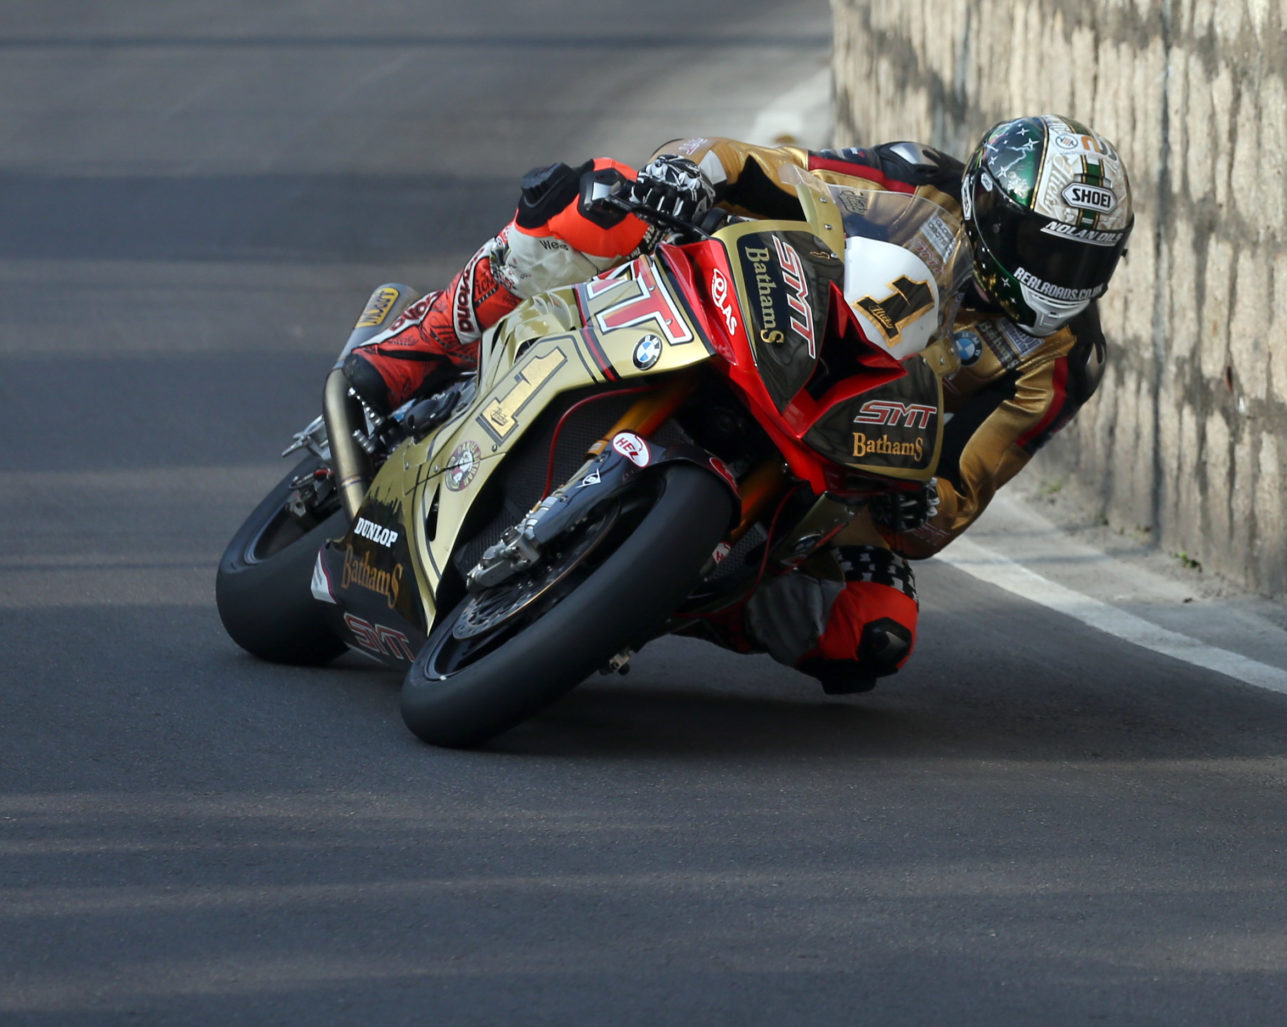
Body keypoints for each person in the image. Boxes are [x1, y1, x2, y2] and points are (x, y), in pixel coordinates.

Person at [343, 115, 1134, 694]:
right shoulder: (922, 185)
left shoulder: (1064, 360)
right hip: (779, 318)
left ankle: (663, 597)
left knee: (873, 627)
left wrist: (920, 504)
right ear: (993, 213)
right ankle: (416, 343)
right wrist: (698, 172)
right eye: (1048, 248)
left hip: (849, 455)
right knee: (598, 199)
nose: (1062, 273)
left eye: (1086, 259)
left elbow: (960, 494)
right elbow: (783, 169)